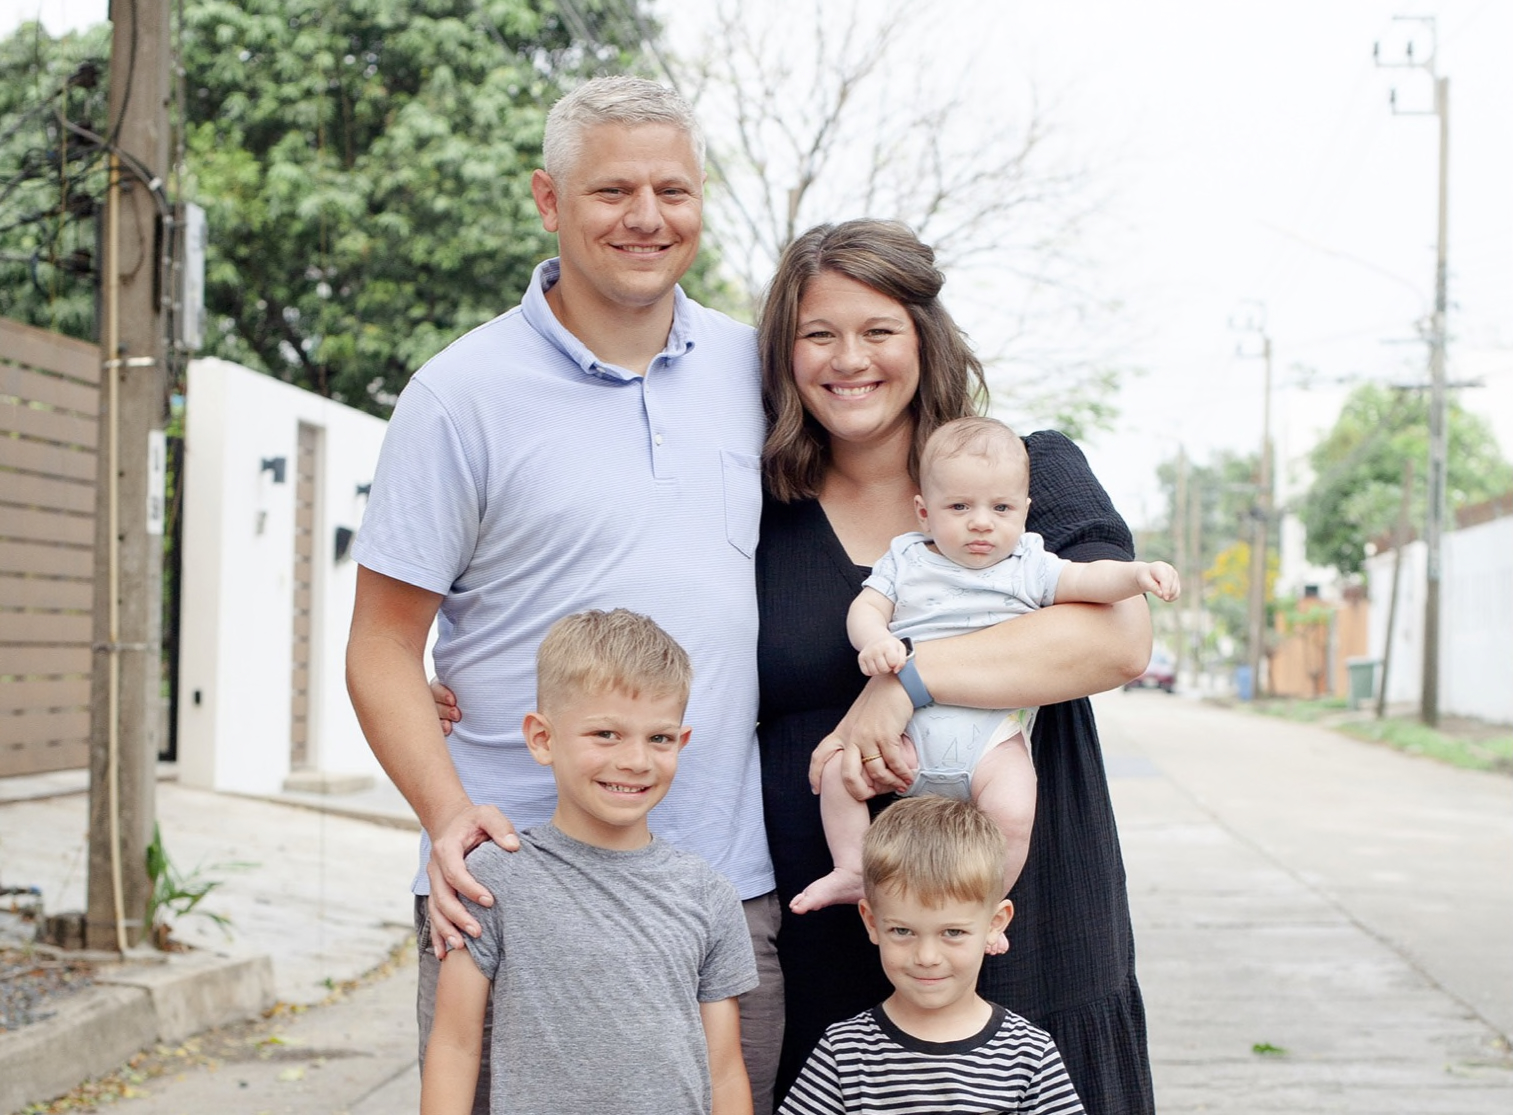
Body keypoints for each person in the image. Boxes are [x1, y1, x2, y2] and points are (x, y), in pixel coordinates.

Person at [346, 76, 783, 1115]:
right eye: (612, 190)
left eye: (672, 190)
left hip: (720, 883)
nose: (647, 217)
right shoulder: (459, 395)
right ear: (548, 200)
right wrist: (447, 815)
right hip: (513, 889)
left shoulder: (757, 369)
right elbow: (380, 644)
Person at [756, 218, 1157, 1113]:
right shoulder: (759, 503)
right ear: (783, 352)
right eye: (817, 333)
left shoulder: (1023, 473)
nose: (848, 359)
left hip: (1026, 915)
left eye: (878, 330)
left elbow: (1118, 639)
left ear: (924, 338)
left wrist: (904, 682)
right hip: (836, 926)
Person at [792, 416, 1179, 917]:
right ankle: (851, 866)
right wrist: (876, 641)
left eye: (1001, 508)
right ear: (924, 512)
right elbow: (867, 607)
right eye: (960, 507)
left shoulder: (1029, 565)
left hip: (991, 742)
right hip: (905, 737)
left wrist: (1137, 575)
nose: (981, 522)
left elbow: (1088, 581)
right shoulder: (907, 559)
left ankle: (987, 907)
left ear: (1024, 512)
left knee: (1014, 811)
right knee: (838, 772)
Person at [421, 610, 757, 1115]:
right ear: (542, 739)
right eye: (606, 734)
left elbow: (724, 1068)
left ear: (681, 742)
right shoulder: (492, 879)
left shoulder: (709, 895)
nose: (636, 761)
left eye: (659, 738)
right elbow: (454, 1046)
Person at [778, 796, 1085, 1115]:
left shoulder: (1028, 1052)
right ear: (872, 922)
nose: (926, 957)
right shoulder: (844, 1051)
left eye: (952, 932)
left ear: (995, 924)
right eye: (902, 931)